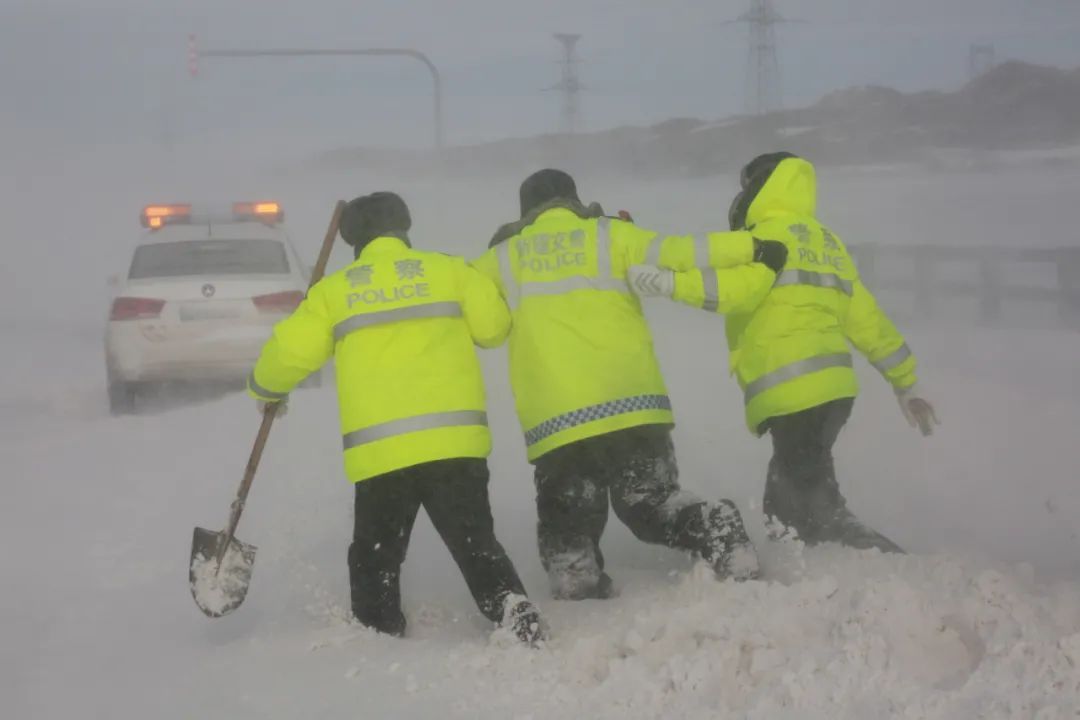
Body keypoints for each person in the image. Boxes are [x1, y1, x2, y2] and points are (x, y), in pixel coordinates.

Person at [471, 169, 788, 600]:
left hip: (558, 418)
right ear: (575, 199)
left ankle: (576, 578)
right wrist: (754, 246)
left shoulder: (502, 258)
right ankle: (716, 526)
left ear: (524, 211)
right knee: (650, 503)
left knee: (568, 512)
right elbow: (683, 251)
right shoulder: (612, 235)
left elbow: (454, 294)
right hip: (634, 404)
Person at [247, 191, 545, 644]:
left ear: (352, 240)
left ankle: (378, 627)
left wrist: (266, 390)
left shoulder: (334, 291)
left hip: (382, 452)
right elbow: (494, 329)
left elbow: (288, 353)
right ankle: (512, 608)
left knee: (375, 554)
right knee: (476, 544)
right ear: (404, 227)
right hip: (454, 445)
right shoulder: (450, 270)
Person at [629, 152, 938, 553]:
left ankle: (870, 558)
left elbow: (732, 292)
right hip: (834, 390)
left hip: (791, 386)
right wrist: (905, 382)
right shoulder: (825, 243)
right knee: (797, 487)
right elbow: (867, 319)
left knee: (801, 500)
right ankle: (819, 560)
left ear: (760, 188)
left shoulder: (765, 239)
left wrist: (667, 284)